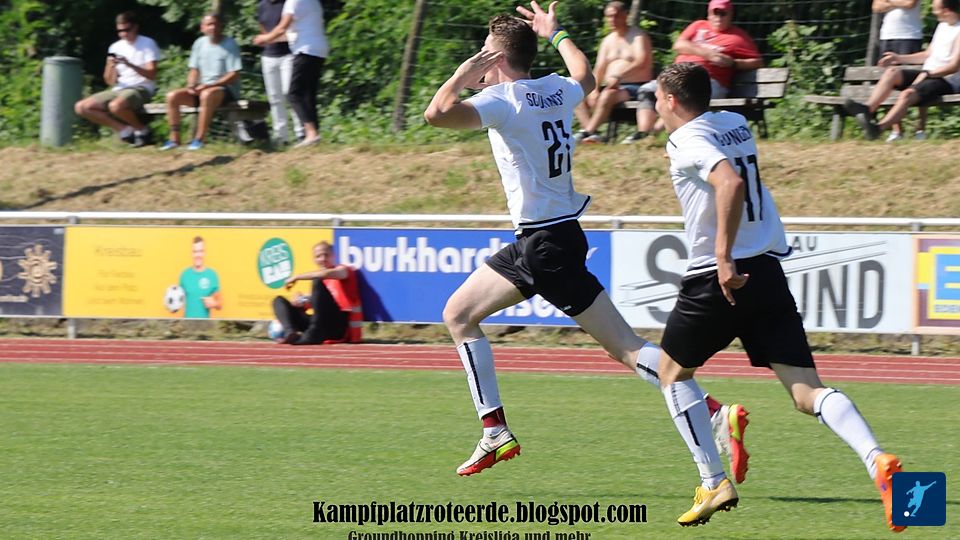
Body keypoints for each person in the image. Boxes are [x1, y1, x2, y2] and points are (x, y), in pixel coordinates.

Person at [423, 1, 750, 482]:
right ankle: (494, 429)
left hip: (543, 245)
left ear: (497, 59)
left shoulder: (503, 100)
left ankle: (713, 411)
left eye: (485, 53)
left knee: (626, 349)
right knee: (460, 314)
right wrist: (555, 33)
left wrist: (461, 73)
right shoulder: (553, 89)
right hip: (555, 238)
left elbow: (435, 115)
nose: (480, 60)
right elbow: (585, 76)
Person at [652, 62, 905, 531]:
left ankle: (713, 482)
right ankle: (876, 459)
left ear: (670, 100)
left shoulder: (685, 139)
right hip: (767, 270)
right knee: (808, 392)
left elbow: (729, 182)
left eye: (656, 98)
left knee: (672, 374)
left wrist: (723, 258)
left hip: (718, 278)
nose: (654, 107)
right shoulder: (735, 123)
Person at [632, 0, 763, 136]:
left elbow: (757, 62)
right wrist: (708, 54)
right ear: (709, 14)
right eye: (715, 13)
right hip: (677, 76)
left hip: (707, 82)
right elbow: (679, 45)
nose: (718, 17)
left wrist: (733, 63)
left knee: (681, 95)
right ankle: (643, 132)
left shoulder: (738, 37)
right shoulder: (698, 26)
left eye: (723, 14)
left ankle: (653, 134)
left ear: (730, 15)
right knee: (646, 90)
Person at [846, 0, 960, 141]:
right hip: (929, 73)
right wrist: (898, 58)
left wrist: (928, 74)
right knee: (892, 72)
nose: (933, 12)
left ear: (946, 11)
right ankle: (867, 110)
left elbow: (954, 66)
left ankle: (878, 129)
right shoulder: (942, 26)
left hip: (946, 80)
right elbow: (927, 54)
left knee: (907, 94)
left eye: (935, 9)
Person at [571, 1, 653, 144]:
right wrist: (594, 89)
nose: (612, 20)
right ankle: (593, 134)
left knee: (608, 95)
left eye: (615, 16)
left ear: (625, 15)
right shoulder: (607, 41)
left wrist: (618, 76)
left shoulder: (638, 37)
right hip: (610, 86)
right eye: (609, 16)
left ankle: (587, 132)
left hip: (634, 87)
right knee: (576, 93)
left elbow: (641, 61)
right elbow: (599, 68)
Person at [74, 12, 160, 147]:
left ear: (135, 27)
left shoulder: (147, 43)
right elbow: (109, 81)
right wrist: (111, 67)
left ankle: (143, 131)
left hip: (141, 87)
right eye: (120, 31)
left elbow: (152, 75)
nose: (123, 34)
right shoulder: (115, 47)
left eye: (127, 30)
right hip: (120, 88)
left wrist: (129, 64)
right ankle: (125, 130)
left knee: (115, 106)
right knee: (82, 107)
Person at [160, 13, 242, 151]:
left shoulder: (230, 44)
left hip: (225, 89)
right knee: (172, 96)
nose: (213, 27)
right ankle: (174, 139)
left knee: (206, 94)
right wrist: (191, 85)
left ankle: (199, 139)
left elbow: (234, 75)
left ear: (221, 26)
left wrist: (210, 85)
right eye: (209, 24)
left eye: (215, 24)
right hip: (203, 88)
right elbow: (194, 69)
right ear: (202, 27)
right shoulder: (199, 43)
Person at [254, 0, 329, 147]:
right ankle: (314, 134)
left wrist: (265, 38)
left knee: (294, 93)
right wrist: (272, 38)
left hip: (305, 49)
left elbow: (282, 28)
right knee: (308, 94)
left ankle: (310, 133)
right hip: (320, 48)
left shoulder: (292, 2)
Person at [273, 241, 362, 345]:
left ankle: (314, 333)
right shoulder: (319, 282)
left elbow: (324, 274)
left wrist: (297, 277)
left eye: (326, 255)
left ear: (333, 256)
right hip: (319, 324)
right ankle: (290, 332)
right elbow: (317, 302)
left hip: (337, 326)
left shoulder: (344, 270)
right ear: (314, 259)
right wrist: (300, 301)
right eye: (318, 256)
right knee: (279, 301)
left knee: (318, 279)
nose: (323, 259)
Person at [872, 0, 927, 141]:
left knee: (918, 82)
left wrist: (889, 1)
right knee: (889, 81)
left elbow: (910, 3)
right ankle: (897, 131)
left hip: (910, 35)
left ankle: (920, 129)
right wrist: (897, 2)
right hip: (887, 36)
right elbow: (876, 6)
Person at [255, 0, 305, 144]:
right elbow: (262, 27)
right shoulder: (262, 5)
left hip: (287, 55)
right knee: (274, 97)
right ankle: (281, 136)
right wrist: (267, 38)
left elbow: (290, 30)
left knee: (290, 93)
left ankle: (301, 132)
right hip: (268, 57)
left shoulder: (287, 4)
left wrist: (269, 38)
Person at [179, 236, 222, 318]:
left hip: (205, 324)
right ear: (192, 253)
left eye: (200, 251)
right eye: (195, 252)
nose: (198, 255)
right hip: (187, 323)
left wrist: (214, 304)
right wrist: (172, 307)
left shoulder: (212, 275)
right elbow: (179, 301)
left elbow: (220, 305)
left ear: (204, 253)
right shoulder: (184, 275)